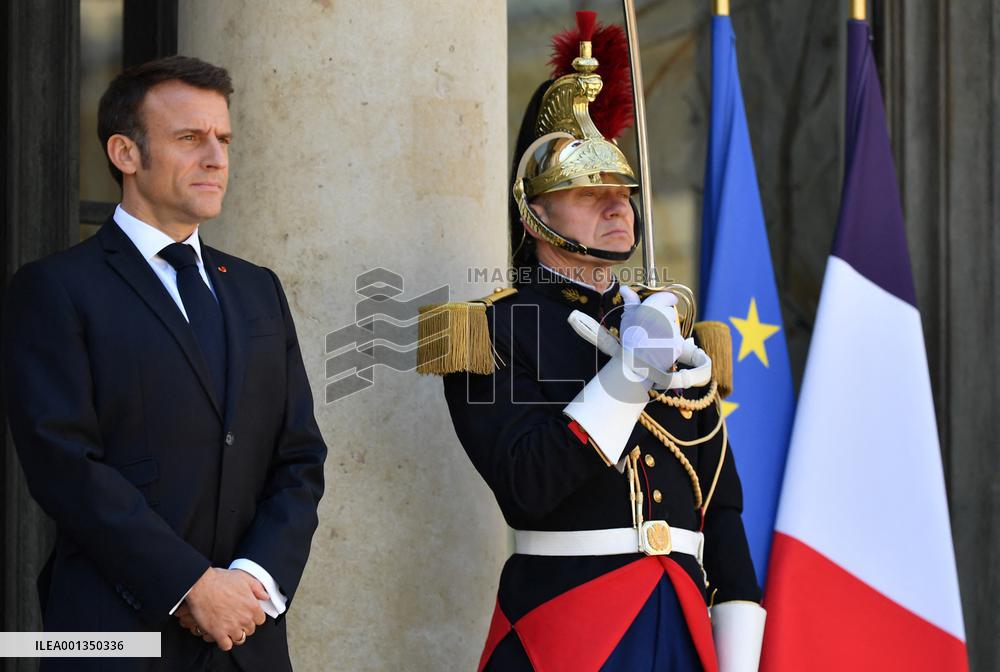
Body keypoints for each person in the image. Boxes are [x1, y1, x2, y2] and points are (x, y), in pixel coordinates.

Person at [419, 13, 765, 671]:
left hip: (684, 624)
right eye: (586, 190)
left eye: (623, 191)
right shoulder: (492, 329)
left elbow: (721, 513)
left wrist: (739, 659)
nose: (616, 206)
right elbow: (528, 484)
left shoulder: (678, 331)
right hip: (567, 625)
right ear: (535, 214)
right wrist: (630, 373)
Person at [3, 56, 327, 671]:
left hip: (246, 637)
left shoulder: (258, 289)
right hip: (113, 639)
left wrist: (253, 580)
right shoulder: (56, 288)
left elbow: (299, 458)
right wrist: (190, 586)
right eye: (189, 138)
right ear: (125, 153)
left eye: (223, 139)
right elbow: (64, 466)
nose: (216, 157)